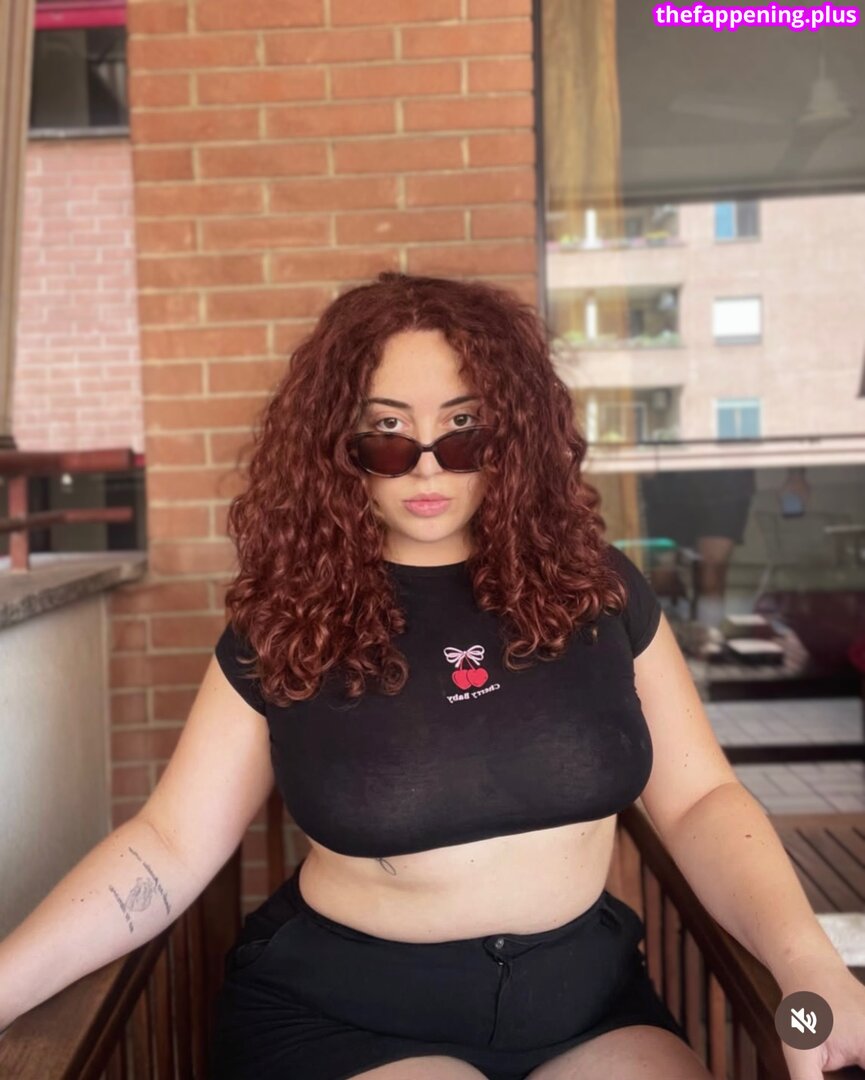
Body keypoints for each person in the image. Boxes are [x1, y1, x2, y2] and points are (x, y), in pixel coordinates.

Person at [2, 274, 864, 1080]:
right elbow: (170, 844)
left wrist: (808, 967)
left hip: (586, 1002)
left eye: (464, 430)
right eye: (386, 433)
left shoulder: (594, 589)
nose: (425, 465)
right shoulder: (291, 616)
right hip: (349, 1016)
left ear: (512, 437)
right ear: (336, 446)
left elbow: (699, 800)